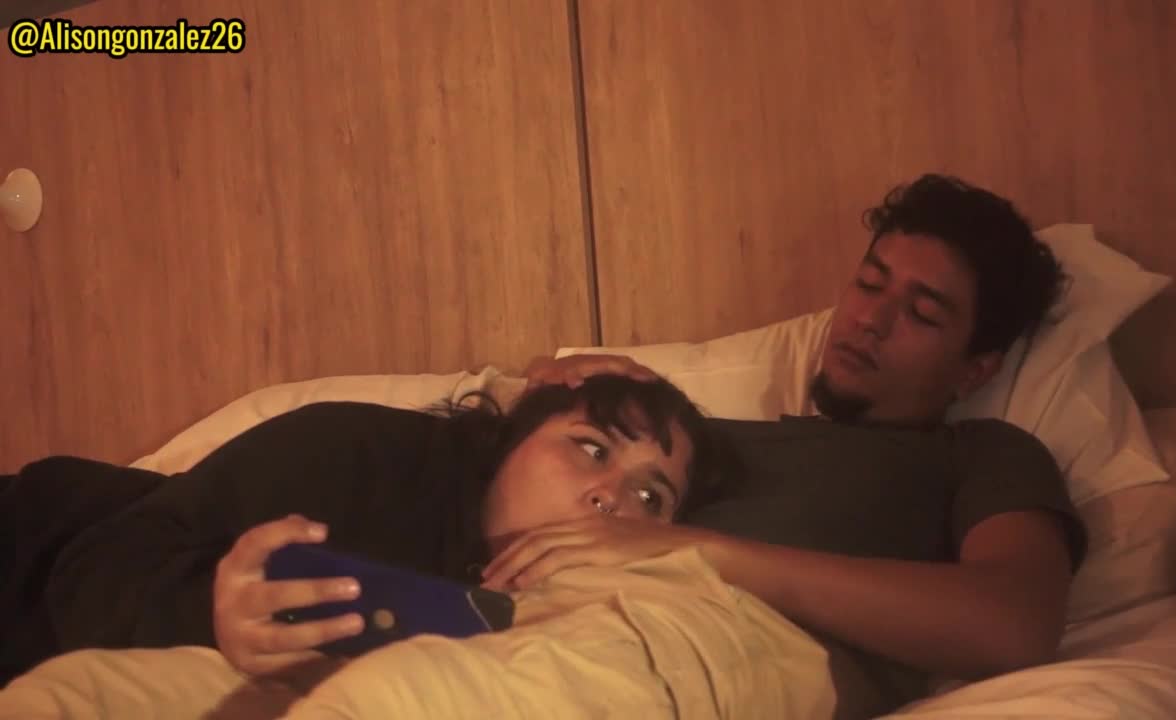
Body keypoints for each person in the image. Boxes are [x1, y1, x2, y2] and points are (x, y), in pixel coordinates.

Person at [489, 173, 1090, 718]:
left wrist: (697, 554)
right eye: (869, 284)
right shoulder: (696, 441)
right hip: (532, 619)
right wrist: (555, 388)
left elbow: (1014, 623)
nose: (870, 320)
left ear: (975, 370)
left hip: (711, 664)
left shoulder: (977, 454)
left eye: (922, 314)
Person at [0, 374, 725, 683]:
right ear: (512, 442)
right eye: (592, 449)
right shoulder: (358, 455)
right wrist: (206, 609)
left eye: (650, 495)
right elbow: (98, 566)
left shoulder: (603, 630)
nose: (610, 498)